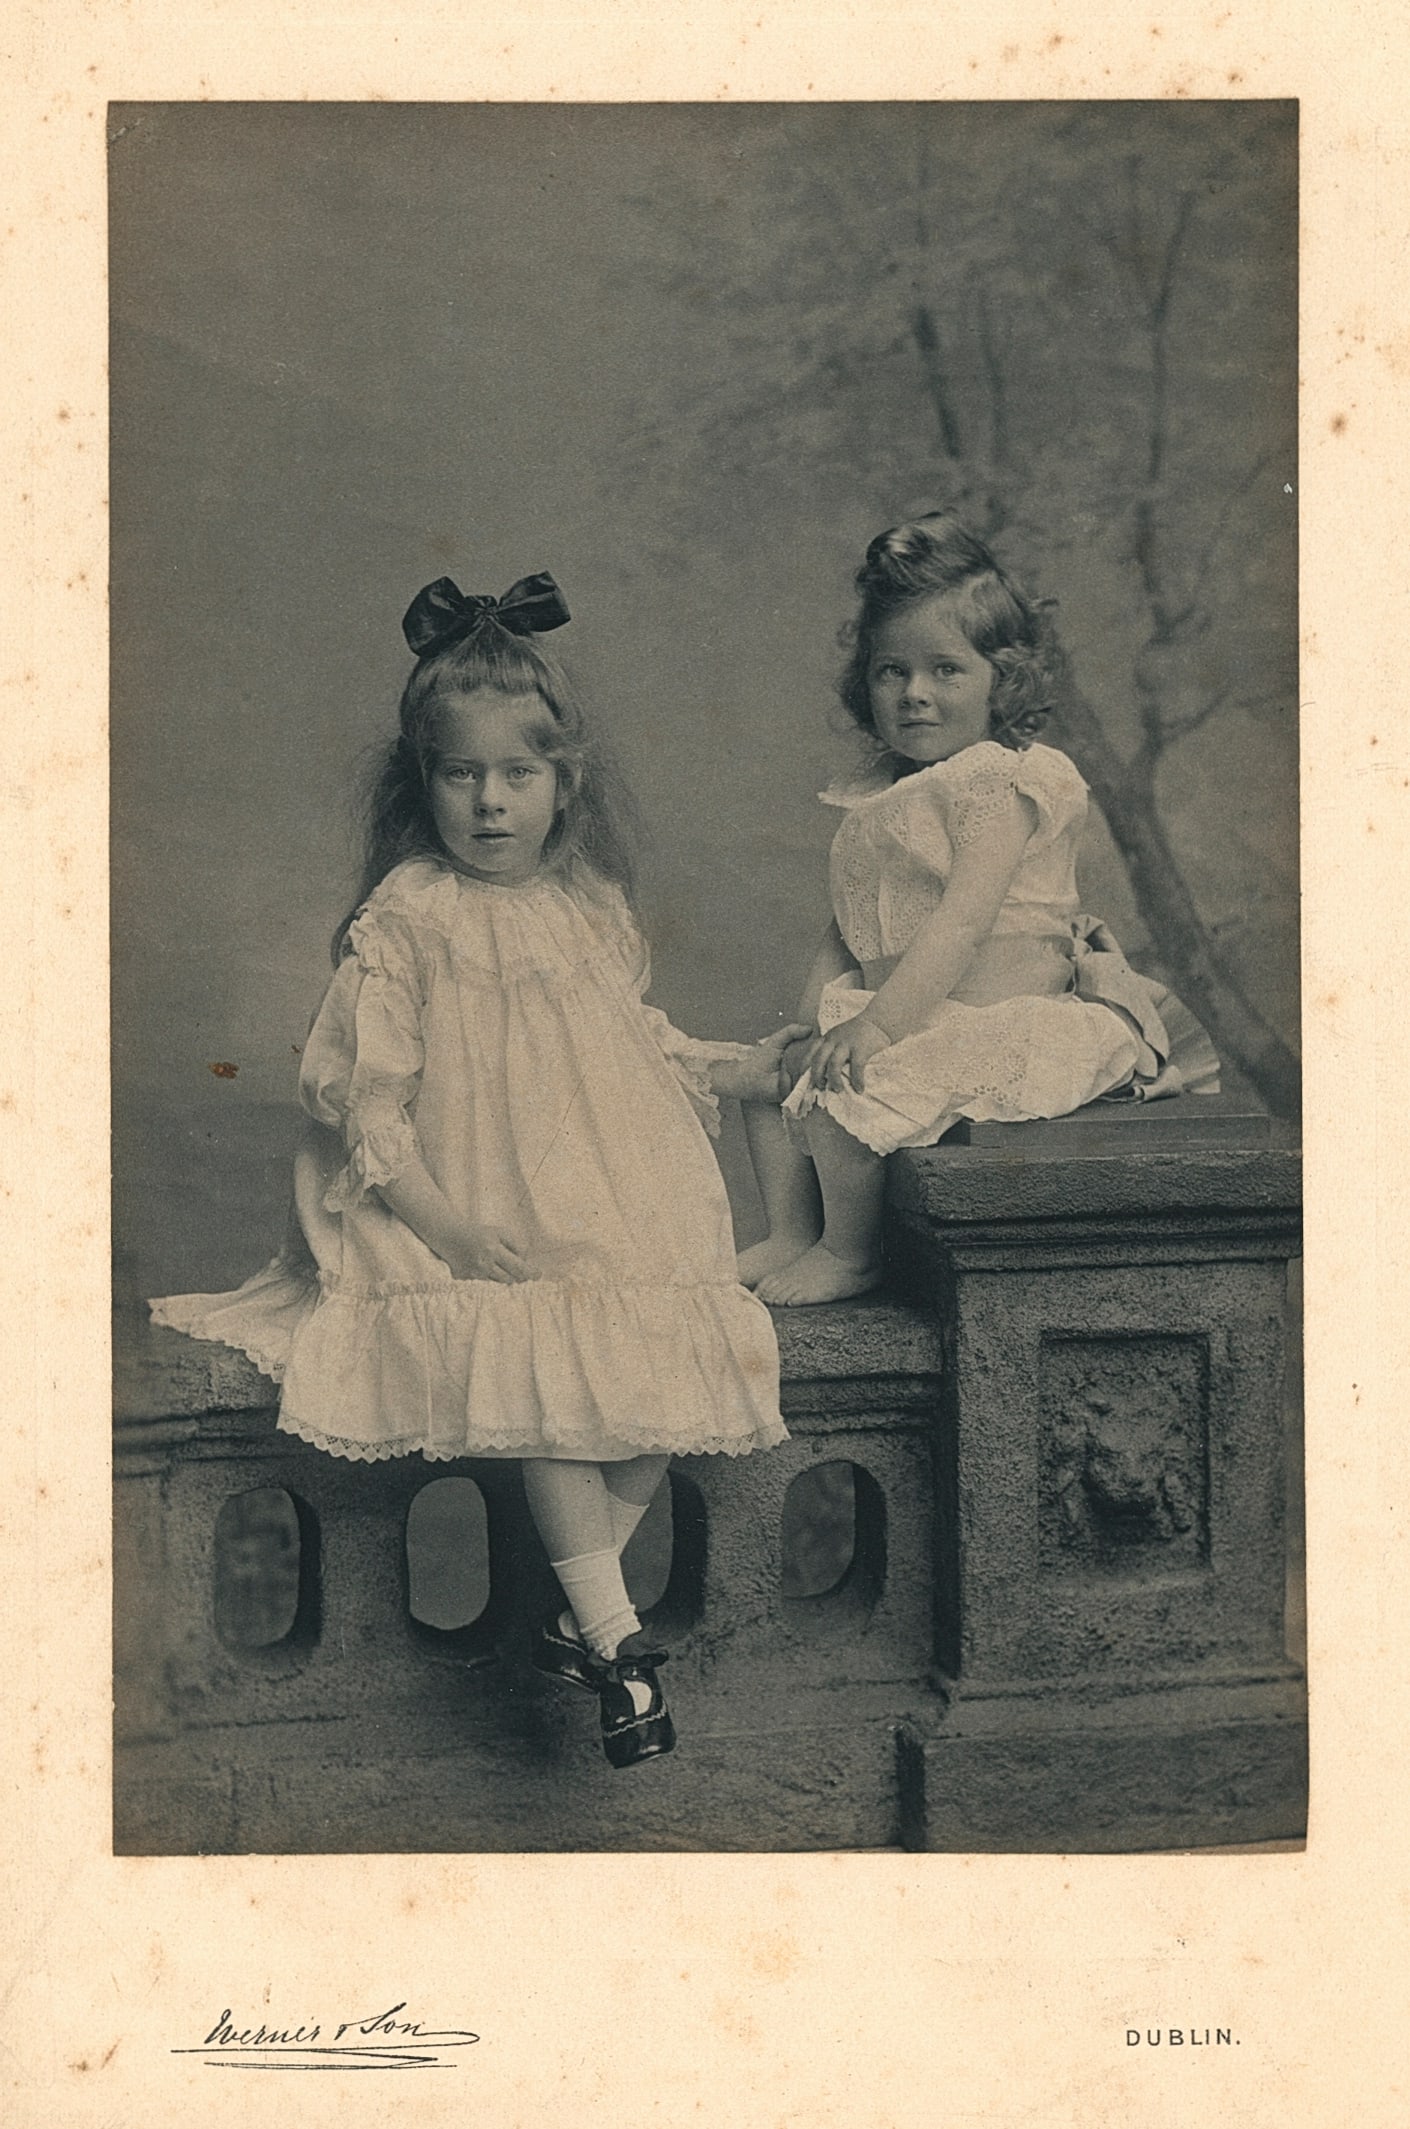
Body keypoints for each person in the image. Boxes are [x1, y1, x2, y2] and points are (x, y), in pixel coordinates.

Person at [152, 570, 802, 1769]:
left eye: (517, 775)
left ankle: (573, 1617)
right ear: (425, 783)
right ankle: (618, 1642)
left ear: (564, 783)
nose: (491, 802)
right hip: (463, 1199)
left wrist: (732, 1064)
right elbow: (367, 1098)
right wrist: (446, 1226)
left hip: (599, 1186)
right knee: (536, 1360)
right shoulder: (412, 915)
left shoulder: (589, 904)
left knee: (672, 1357)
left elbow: (631, 1039)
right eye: (462, 775)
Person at [736, 513, 1217, 1308]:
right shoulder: (882, 797)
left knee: (857, 1091)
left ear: (1004, 679)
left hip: (996, 1014)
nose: (915, 693)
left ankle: (848, 1252)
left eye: (946, 670)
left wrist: (876, 1027)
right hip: (909, 1007)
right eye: (892, 671)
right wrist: (811, 1021)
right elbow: (845, 929)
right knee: (772, 1077)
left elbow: (961, 921)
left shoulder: (1003, 779)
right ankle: (791, 1229)